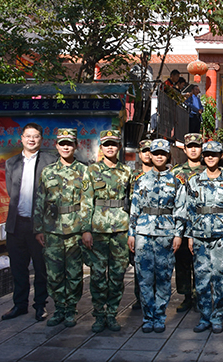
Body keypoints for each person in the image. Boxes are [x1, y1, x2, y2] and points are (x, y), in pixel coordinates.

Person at [180, 141, 223, 334]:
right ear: (203, 157)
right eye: (207, 154)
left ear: (221, 156)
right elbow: (189, 210)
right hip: (199, 235)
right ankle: (204, 316)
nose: (210, 157)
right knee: (202, 277)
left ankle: (218, 316)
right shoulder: (194, 181)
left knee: (220, 277)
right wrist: (189, 235)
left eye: (214, 154)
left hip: (220, 236)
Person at [80, 129, 133, 333]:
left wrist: (132, 231)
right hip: (98, 229)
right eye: (106, 144)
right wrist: (86, 229)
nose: (110, 147)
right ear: (101, 147)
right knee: (98, 274)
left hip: (120, 229)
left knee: (118, 274)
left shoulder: (126, 172)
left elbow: (132, 202)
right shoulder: (92, 171)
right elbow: (86, 201)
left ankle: (112, 313)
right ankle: (98, 314)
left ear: (119, 147)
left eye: (114, 144)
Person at [128, 139, 184, 333]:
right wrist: (131, 233)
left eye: (163, 153)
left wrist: (178, 234)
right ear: (150, 155)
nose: (159, 156)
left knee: (163, 277)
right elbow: (134, 207)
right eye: (156, 153)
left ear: (168, 156)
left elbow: (180, 209)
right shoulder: (141, 180)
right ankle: (147, 317)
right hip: (143, 233)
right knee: (144, 278)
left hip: (165, 234)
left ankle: (159, 317)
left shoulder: (176, 181)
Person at [2, 123, 57, 321]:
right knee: (18, 267)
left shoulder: (50, 161)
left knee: (41, 268)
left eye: (35, 136)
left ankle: (40, 305)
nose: (31, 140)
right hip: (17, 223)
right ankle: (19, 305)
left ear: (41, 139)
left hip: (39, 225)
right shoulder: (11, 163)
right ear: (22, 138)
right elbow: (11, 191)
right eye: (28, 136)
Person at [33, 128, 86, 327]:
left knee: (74, 273)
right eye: (62, 143)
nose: (66, 147)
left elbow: (88, 202)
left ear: (76, 146)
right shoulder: (47, 172)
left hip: (75, 229)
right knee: (54, 273)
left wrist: (86, 229)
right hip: (52, 230)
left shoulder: (84, 171)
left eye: (69, 143)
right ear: (56, 146)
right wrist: (38, 229)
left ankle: (71, 309)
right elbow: (40, 200)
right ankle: (59, 308)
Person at [170, 133, 204, 312]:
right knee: (182, 262)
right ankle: (186, 296)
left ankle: (200, 295)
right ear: (184, 149)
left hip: (202, 224)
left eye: (196, 146)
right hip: (182, 225)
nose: (193, 150)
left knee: (201, 262)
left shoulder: (208, 170)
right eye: (190, 146)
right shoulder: (176, 172)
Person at [130, 139, 154, 311]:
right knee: (139, 264)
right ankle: (140, 298)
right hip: (138, 226)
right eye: (144, 151)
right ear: (139, 154)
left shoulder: (164, 175)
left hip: (158, 227)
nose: (147, 154)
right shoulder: (133, 176)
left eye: (150, 151)